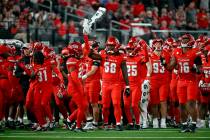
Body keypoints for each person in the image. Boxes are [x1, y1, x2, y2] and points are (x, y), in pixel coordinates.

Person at [161, 34, 202, 132]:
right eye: (183, 39)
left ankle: (193, 124)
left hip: (192, 81)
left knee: (191, 103)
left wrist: (196, 69)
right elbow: (170, 67)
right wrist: (164, 63)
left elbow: (200, 70)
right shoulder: (177, 51)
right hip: (181, 81)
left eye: (186, 39)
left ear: (190, 41)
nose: (183, 41)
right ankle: (183, 125)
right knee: (182, 104)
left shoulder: (195, 52)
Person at [89, 36, 130, 131]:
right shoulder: (103, 54)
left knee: (116, 104)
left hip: (116, 84)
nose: (110, 47)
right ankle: (106, 123)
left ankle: (118, 123)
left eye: (112, 46)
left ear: (116, 46)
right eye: (108, 45)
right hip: (105, 84)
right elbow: (90, 55)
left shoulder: (121, 57)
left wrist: (127, 86)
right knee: (105, 105)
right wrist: (92, 47)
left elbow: (125, 72)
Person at [65, 42, 88, 132]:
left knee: (84, 106)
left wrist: (86, 36)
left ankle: (69, 120)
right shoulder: (71, 60)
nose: (80, 52)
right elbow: (74, 76)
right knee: (82, 107)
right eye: (79, 50)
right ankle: (78, 126)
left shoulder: (77, 59)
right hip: (74, 87)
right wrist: (81, 88)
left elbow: (87, 50)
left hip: (78, 86)